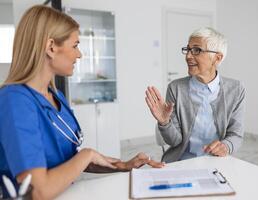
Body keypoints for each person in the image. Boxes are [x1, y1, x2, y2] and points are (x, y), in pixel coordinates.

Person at [0, 5, 163, 199]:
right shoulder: (15, 101)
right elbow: (37, 190)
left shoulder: (55, 95)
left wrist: (121, 165)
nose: (79, 55)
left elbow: (68, 161)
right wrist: (87, 155)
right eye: (75, 45)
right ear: (51, 47)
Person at [145, 27, 245, 163]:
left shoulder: (236, 89)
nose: (188, 56)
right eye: (188, 50)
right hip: (183, 161)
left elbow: (236, 135)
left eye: (196, 50)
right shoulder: (176, 88)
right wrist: (164, 122)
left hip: (218, 161)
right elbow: (175, 141)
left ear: (217, 58)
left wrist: (226, 146)